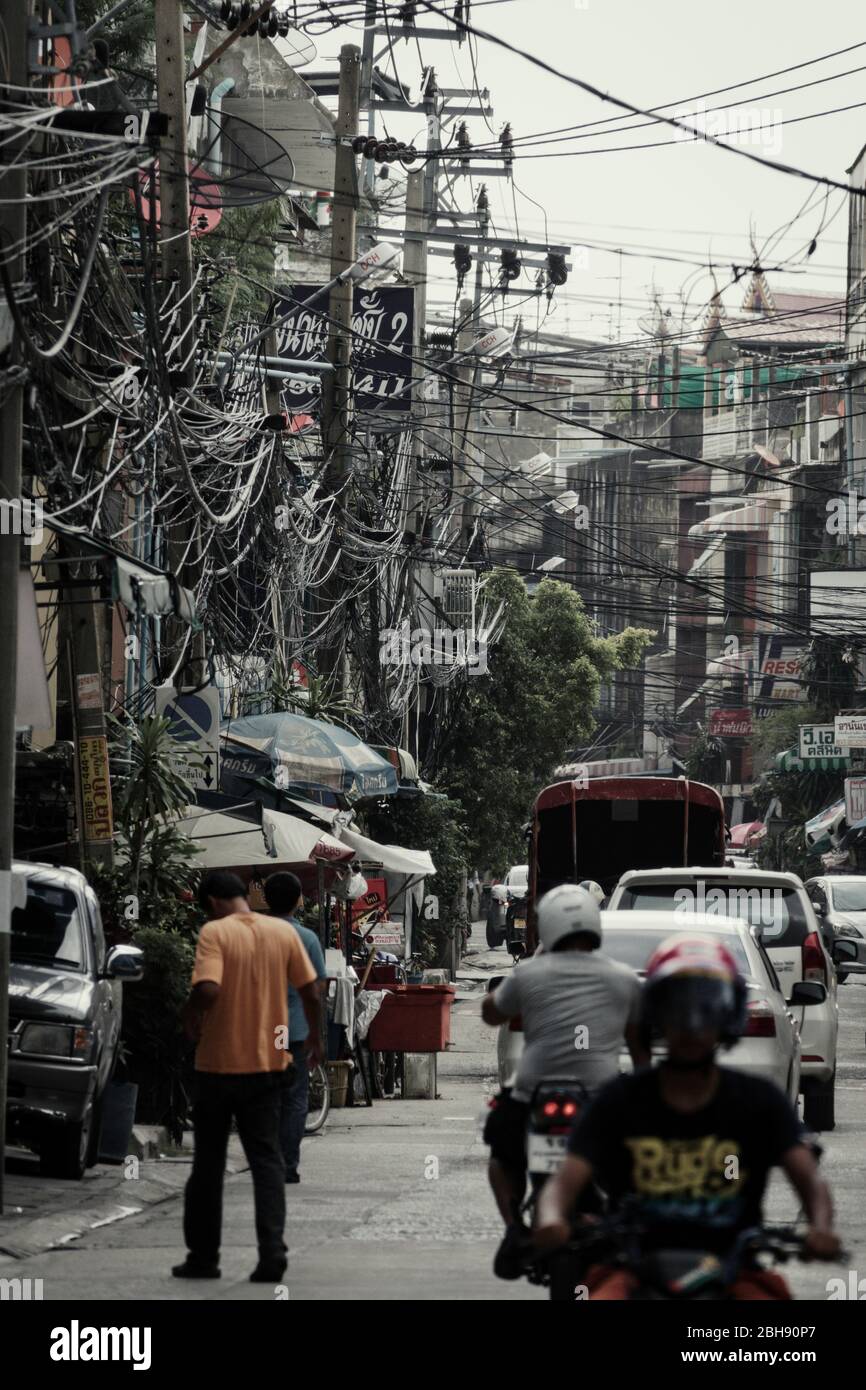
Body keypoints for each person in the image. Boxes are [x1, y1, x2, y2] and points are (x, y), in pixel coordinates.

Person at [535, 935, 841, 1299]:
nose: (693, 1023)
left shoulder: (758, 1100)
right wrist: (552, 1219)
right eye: (678, 1008)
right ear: (657, 1015)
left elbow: (808, 1177)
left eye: (707, 1008)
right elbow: (564, 1181)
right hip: (634, 1267)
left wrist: (820, 1227)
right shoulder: (619, 1099)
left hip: (732, 1268)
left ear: (727, 1016)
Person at [481, 884, 647, 1278]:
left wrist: (496, 998)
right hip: (601, 1099)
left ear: (549, 926)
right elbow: (642, 1057)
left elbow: (491, 1014)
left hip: (533, 1093)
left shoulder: (528, 973)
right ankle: (623, 1221)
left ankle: (512, 1228)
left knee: (502, 1154)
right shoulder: (624, 979)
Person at [173, 870, 323, 1284]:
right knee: (267, 1161)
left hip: (217, 1067)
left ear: (213, 902)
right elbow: (312, 991)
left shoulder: (215, 933)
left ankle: (204, 1259)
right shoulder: (283, 934)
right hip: (266, 1067)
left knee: (208, 1165)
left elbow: (208, 989)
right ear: (243, 895)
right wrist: (316, 1038)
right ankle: (272, 1253)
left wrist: (189, 1013)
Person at [262, 871, 326, 1184]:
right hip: (295, 1030)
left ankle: (267, 1160)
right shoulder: (307, 939)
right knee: (295, 1096)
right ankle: (287, 1163)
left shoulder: (254, 935)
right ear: (299, 900)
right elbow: (316, 989)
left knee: (266, 1095)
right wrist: (317, 1035)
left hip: (261, 1029)